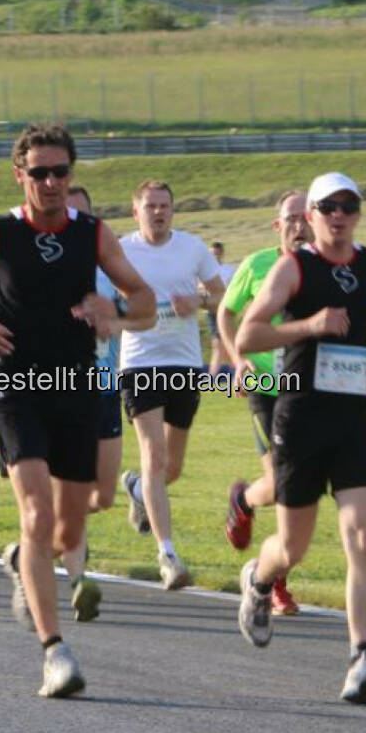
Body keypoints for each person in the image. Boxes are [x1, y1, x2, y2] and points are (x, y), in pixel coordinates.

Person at [0, 124, 152, 697]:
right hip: (16, 387)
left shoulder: (95, 235)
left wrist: (116, 314)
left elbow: (145, 303)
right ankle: (55, 651)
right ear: (19, 175)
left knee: (66, 527)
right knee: (35, 514)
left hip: (77, 387)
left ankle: (22, 563)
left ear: (71, 175)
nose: (51, 182)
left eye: (61, 172)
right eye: (39, 173)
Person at [234, 171, 366, 705]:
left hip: (355, 417)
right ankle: (260, 582)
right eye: (327, 206)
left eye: (348, 205)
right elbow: (249, 333)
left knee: (362, 536)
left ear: (358, 212)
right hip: (302, 418)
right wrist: (308, 326)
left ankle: (362, 659)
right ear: (310, 217)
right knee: (293, 547)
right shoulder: (294, 268)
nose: (339, 214)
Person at [115, 179, 225, 589]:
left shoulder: (193, 248)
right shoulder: (121, 250)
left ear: (172, 210)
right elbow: (100, 292)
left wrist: (197, 302)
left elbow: (222, 295)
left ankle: (137, 487)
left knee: (170, 468)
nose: (158, 212)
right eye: (150, 206)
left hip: (184, 362)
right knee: (155, 456)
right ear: (136, 211)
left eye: (164, 206)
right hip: (139, 362)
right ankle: (168, 555)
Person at [218, 190, 309, 617]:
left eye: (304, 216)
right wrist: (237, 361)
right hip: (264, 386)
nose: (299, 224)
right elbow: (226, 313)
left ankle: (244, 500)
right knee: (284, 481)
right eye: (290, 218)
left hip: (308, 387)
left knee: (295, 488)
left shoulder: (325, 268)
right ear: (278, 226)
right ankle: (275, 584)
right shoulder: (256, 266)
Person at [53, 184, 127, 622]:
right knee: (70, 491)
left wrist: (110, 319)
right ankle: (79, 582)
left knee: (102, 495)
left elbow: (133, 311)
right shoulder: (43, 267)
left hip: (103, 387)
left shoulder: (107, 267)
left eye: (81, 214)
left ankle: (35, 548)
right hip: (58, 391)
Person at [206, 241, 235, 377]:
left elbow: (234, 289)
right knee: (218, 345)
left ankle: (236, 373)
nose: (214, 257)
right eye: (212, 254)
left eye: (217, 254)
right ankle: (212, 378)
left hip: (226, 310)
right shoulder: (205, 272)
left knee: (228, 345)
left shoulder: (229, 270)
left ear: (222, 254)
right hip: (212, 311)